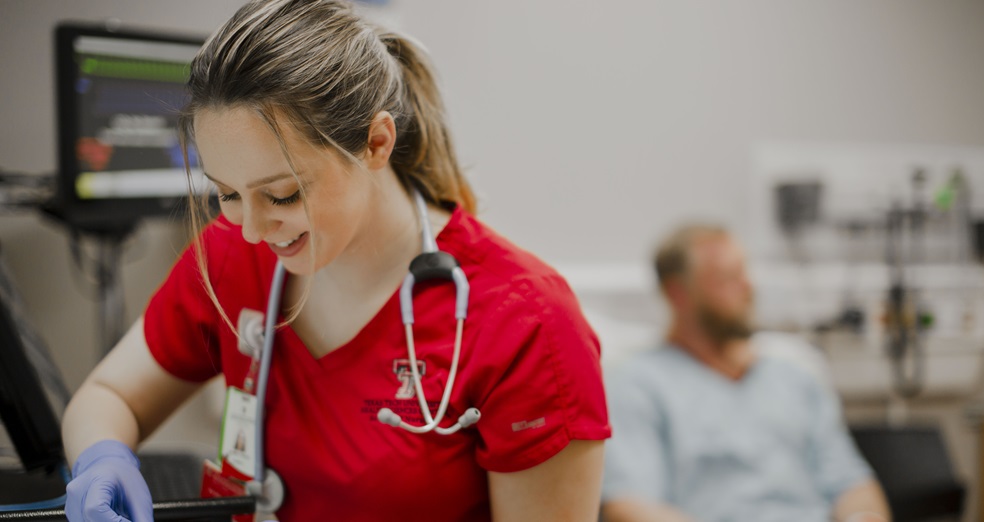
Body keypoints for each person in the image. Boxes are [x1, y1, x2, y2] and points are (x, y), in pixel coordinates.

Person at [60, 1, 610, 520]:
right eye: (225, 193)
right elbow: (110, 395)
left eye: (282, 195)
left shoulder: (527, 321)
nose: (250, 229)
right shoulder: (232, 258)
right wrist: (102, 457)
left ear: (375, 143)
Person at [600, 224, 890, 522]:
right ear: (678, 293)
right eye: (728, 279)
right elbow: (629, 506)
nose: (748, 288)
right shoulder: (638, 384)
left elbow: (851, 482)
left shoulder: (793, 375)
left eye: (745, 273)